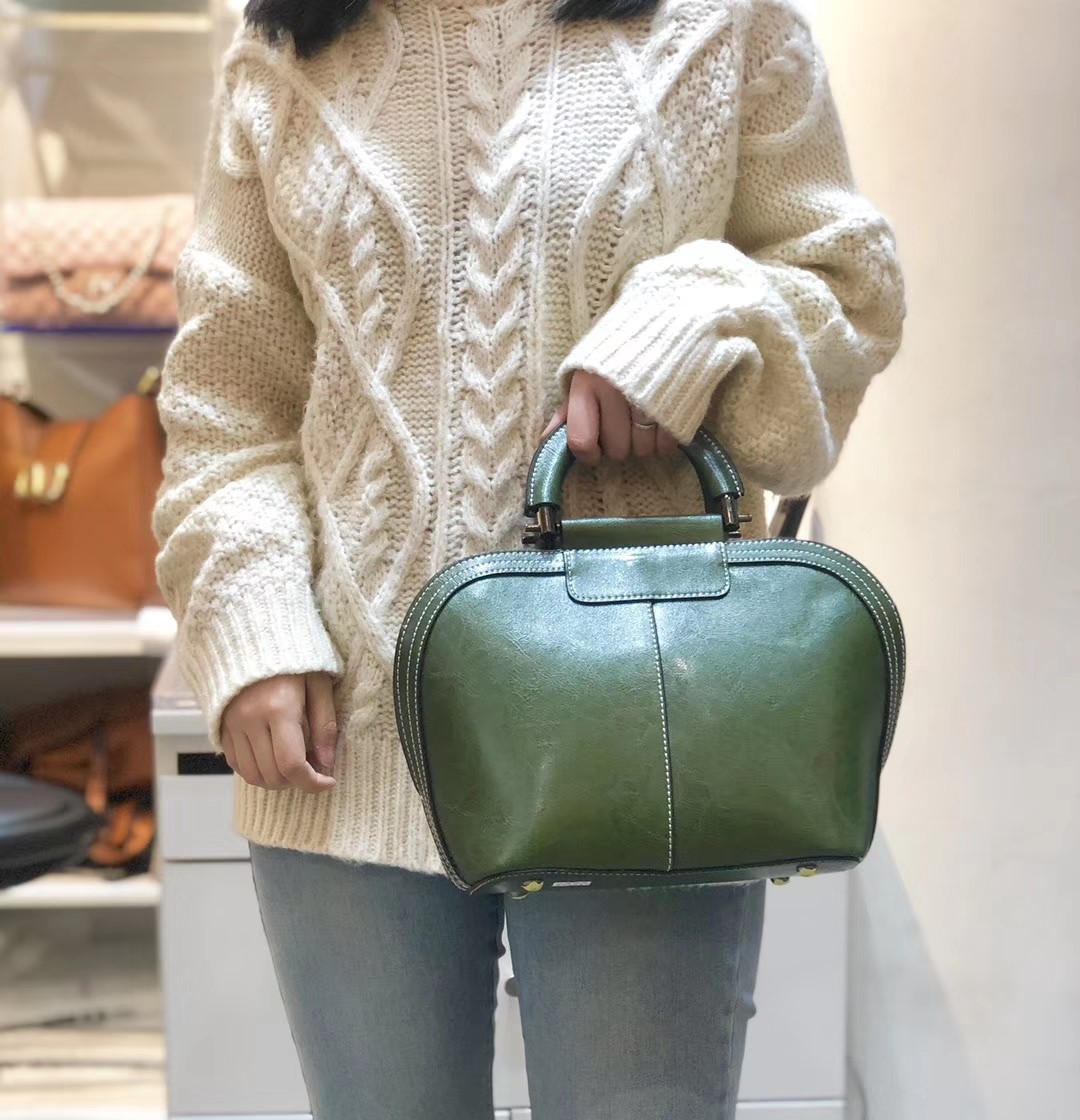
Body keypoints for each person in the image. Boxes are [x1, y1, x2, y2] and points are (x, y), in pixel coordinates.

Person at [151, 0, 905, 1115]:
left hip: (646, 729)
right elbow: (226, 398)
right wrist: (252, 619)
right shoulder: (287, 48)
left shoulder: (722, 23)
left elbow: (850, 285)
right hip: (349, 736)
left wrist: (686, 323)